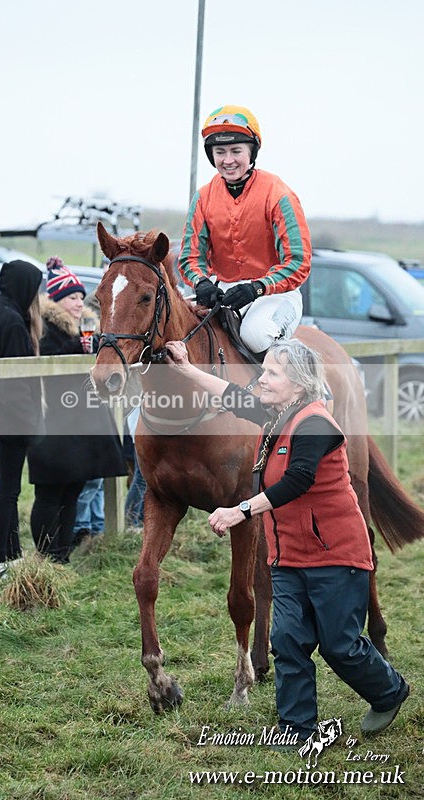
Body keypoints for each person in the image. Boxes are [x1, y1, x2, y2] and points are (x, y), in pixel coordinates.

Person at [165, 337, 410, 745]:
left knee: (340, 646)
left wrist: (240, 510)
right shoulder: (274, 412)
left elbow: (297, 480)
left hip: (336, 556)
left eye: (272, 374)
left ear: (297, 384)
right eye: (263, 372)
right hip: (288, 557)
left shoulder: (316, 424)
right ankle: (297, 730)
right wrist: (187, 368)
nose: (261, 379)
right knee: (287, 641)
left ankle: (389, 691)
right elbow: (230, 394)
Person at [179, 105, 311, 354]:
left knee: (255, 336)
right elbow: (190, 258)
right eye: (220, 152)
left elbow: (298, 262)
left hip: (276, 294)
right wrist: (201, 282)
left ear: (251, 152)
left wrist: (257, 287)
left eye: (236, 151)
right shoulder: (203, 198)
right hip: (224, 291)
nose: (228, 160)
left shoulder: (278, 194)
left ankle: (290, 371)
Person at [27, 257, 126, 563]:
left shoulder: (86, 328)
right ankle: (46, 554)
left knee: (73, 489)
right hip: (55, 419)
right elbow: (46, 361)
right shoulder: (45, 327)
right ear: (56, 300)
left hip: (82, 418)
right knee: (50, 492)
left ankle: (62, 554)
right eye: (72, 297)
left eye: (81, 297)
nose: (78, 303)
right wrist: (77, 351)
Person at [0, 259, 45, 581]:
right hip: (13, 418)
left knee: (9, 488)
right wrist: (31, 424)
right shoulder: (14, 323)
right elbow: (16, 384)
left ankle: (13, 557)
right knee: (8, 491)